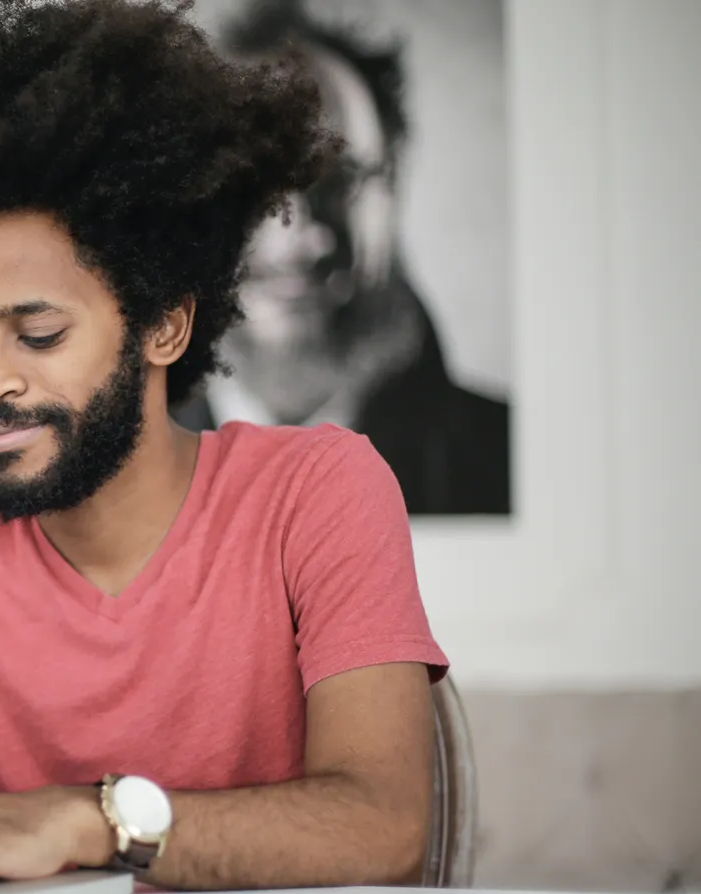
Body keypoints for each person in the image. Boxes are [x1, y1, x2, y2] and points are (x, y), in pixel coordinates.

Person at [0, 0, 449, 894]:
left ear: (164, 327)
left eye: (39, 335)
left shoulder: (319, 491)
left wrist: (90, 820)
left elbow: (384, 825)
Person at [172, 0, 511, 515]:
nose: (296, 237)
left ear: (395, 180)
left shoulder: (512, 464)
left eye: (340, 180)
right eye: (248, 183)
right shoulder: (96, 486)